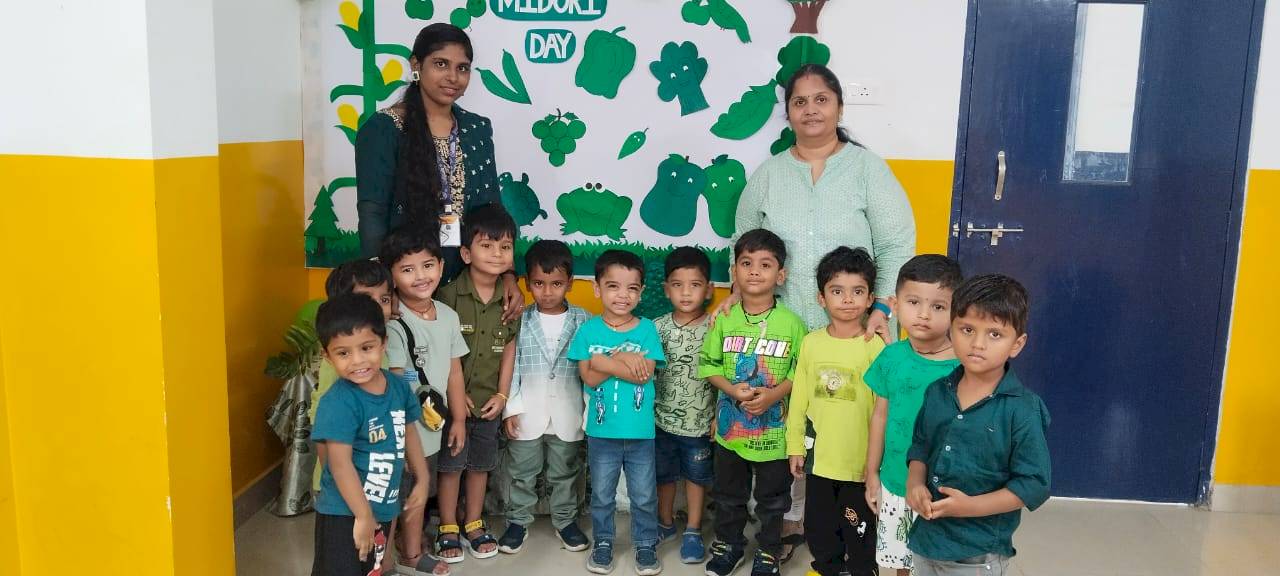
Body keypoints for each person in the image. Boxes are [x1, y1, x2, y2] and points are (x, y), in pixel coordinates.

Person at [730, 63, 916, 551]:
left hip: (858, 328)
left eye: (821, 99)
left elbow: (896, 244)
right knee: (790, 420)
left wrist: (882, 307)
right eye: (800, 102)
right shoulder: (769, 174)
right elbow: (744, 240)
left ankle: (858, 518)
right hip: (785, 325)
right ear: (788, 112)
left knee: (853, 420)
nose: (810, 110)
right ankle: (792, 520)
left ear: (838, 106)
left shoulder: (867, 169)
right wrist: (739, 295)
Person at [355, 22, 523, 322]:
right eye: (441, 64)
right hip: (410, 279)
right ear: (416, 65)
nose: (453, 77)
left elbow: (492, 210)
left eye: (462, 68)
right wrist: (384, 287)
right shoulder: (383, 129)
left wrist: (507, 275)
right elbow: (372, 213)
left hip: (470, 282)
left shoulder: (476, 128)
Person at [905, 275, 1051, 576]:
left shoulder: (1023, 409)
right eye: (967, 329)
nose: (978, 343)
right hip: (927, 540)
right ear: (951, 330)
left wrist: (969, 507)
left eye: (995, 334)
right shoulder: (937, 392)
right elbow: (921, 445)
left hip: (977, 552)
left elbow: (1033, 484)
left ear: (1017, 344)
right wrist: (914, 483)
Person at [699, 230, 809, 576]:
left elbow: (800, 373)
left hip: (774, 437)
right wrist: (732, 391)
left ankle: (769, 551)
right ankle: (729, 544)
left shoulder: (792, 324)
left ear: (781, 275)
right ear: (734, 272)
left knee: (773, 501)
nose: (755, 271)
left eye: (765, 264)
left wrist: (774, 395)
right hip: (730, 434)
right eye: (746, 263)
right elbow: (709, 366)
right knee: (727, 495)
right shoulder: (723, 318)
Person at [311, 293, 429, 576]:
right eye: (343, 353)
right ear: (327, 356)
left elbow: (408, 430)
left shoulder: (398, 387)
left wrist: (423, 478)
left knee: (370, 570)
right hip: (344, 512)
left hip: (382, 506)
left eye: (366, 348)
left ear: (383, 343)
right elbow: (339, 464)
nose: (357, 361)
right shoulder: (338, 402)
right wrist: (363, 515)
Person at [785, 247, 885, 576]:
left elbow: (883, 409)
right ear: (821, 298)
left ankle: (861, 570)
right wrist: (795, 445)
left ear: (870, 299)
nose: (847, 299)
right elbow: (799, 399)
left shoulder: (875, 347)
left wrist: (877, 463)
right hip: (820, 462)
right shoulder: (811, 343)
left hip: (860, 463)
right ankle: (827, 568)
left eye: (857, 291)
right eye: (837, 291)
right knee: (820, 527)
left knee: (859, 529)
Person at [568, 250, 668, 575]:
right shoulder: (588, 331)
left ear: (641, 292)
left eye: (632, 288)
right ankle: (603, 542)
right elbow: (588, 377)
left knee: (643, 495)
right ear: (597, 288)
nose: (622, 295)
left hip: (640, 432)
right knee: (601, 495)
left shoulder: (647, 329)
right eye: (613, 286)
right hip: (601, 433)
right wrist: (621, 359)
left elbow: (644, 375)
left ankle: (645, 544)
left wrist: (603, 361)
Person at [863, 255, 963, 576]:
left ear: (956, 310)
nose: (923, 314)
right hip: (895, 480)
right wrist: (871, 472)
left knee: (935, 563)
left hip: (943, 489)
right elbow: (880, 416)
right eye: (913, 302)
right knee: (900, 560)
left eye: (938, 306)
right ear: (895, 304)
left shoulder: (963, 366)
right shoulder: (891, 357)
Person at [432, 203, 521, 562]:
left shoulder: (511, 301)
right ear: (466, 254)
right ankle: (447, 526)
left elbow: (510, 349)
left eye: (505, 246)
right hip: (454, 403)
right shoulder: (448, 297)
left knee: (481, 466)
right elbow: (440, 352)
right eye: (487, 245)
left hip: (488, 403)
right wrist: (456, 396)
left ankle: (473, 521)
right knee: (451, 465)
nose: (497, 253)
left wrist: (502, 394)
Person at [380, 227, 469, 575]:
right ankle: (385, 560)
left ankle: (412, 552)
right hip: (403, 430)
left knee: (420, 492)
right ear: (391, 275)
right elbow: (395, 385)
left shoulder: (448, 316)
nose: (420, 276)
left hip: (433, 427)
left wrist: (458, 419)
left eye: (428, 265)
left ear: (441, 267)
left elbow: (455, 373)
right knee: (393, 497)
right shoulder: (392, 323)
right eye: (407, 269)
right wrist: (400, 435)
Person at [498, 239, 592, 555]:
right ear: (527, 283)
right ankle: (517, 521)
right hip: (527, 411)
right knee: (521, 472)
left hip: (569, 412)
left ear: (570, 283)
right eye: (539, 283)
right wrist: (510, 408)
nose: (547, 292)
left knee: (566, 472)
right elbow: (511, 366)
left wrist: (589, 412)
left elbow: (590, 370)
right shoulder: (519, 319)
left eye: (556, 284)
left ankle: (565, 521)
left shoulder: (584, 320)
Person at [309, 259, 397, 495]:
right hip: (341, 482)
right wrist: (333, 483)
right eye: (367, 299)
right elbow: (322, 422)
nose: (379, 308)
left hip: (374, 472)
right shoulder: (339, 360)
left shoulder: (379, 346)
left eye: (385, 299)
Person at [651, 247, 716, 564]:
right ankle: (664, 522)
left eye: (695, 285)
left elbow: (724, 373)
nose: (686, 292)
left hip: (699, 423)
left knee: (696, 477)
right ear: (666, 289)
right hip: (661, 421)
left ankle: (693, 529)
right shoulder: (656, 327)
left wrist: (719, 416)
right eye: (678, 285)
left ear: (709, 289)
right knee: (663, 476)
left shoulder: (715, 327)